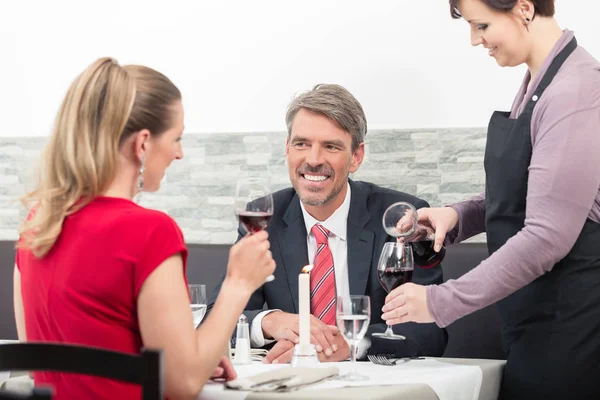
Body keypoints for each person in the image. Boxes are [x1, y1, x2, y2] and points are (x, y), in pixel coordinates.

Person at [13, 58, 275, 400]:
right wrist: (239, 283)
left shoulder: (37, 224)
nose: (179, 154)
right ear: (143, 144)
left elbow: (45, 363)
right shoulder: (149, 232)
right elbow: (180, 387)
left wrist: (193, 358)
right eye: (177, 138)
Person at [381, 1, 600, 398]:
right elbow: (530, 190)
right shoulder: (542, 81)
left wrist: (439, 302)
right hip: (536, 321)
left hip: (572, 327)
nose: (473, 39)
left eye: (481, 24)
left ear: (524, 9)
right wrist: (457, 216)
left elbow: (546, 237)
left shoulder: (576, 90)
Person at [208, 84, 447, 363]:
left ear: (356, 157)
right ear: (287, 149)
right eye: (302, 144)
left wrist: (349, 345)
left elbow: (430, 329)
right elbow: (215, 316)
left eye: (331, 146)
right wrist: (270, 321)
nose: (313, 160)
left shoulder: (401, 218)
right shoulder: (262, 220)